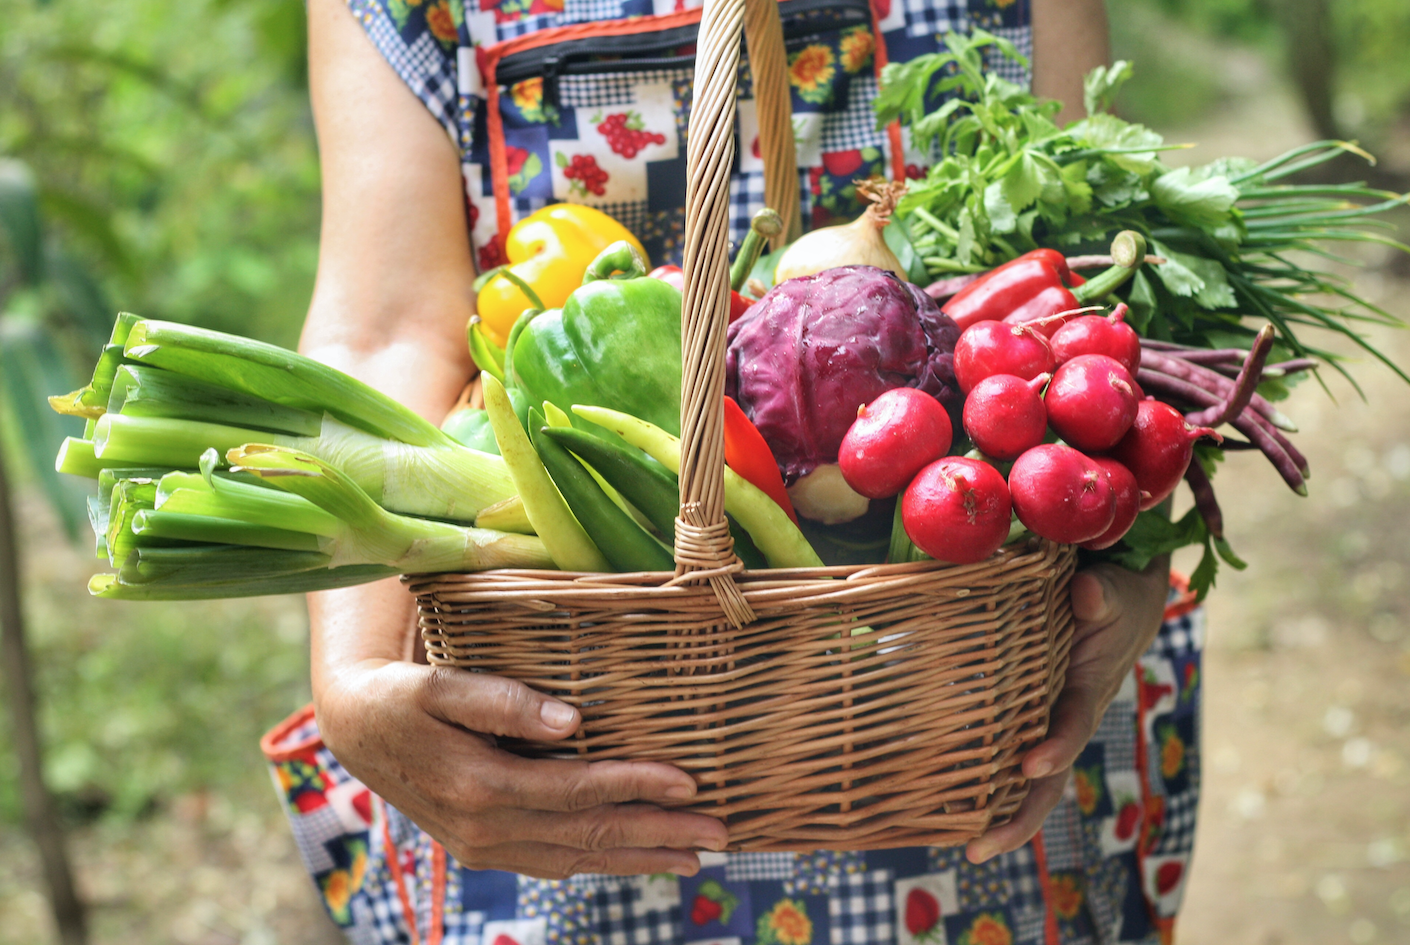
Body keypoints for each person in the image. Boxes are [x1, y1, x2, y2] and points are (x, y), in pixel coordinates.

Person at [262, 0, 1203, 941]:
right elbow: (384, 332)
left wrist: (1131, 562)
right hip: (572, 752)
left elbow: (1110, 309)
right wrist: (354, 674)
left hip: (968, 705)